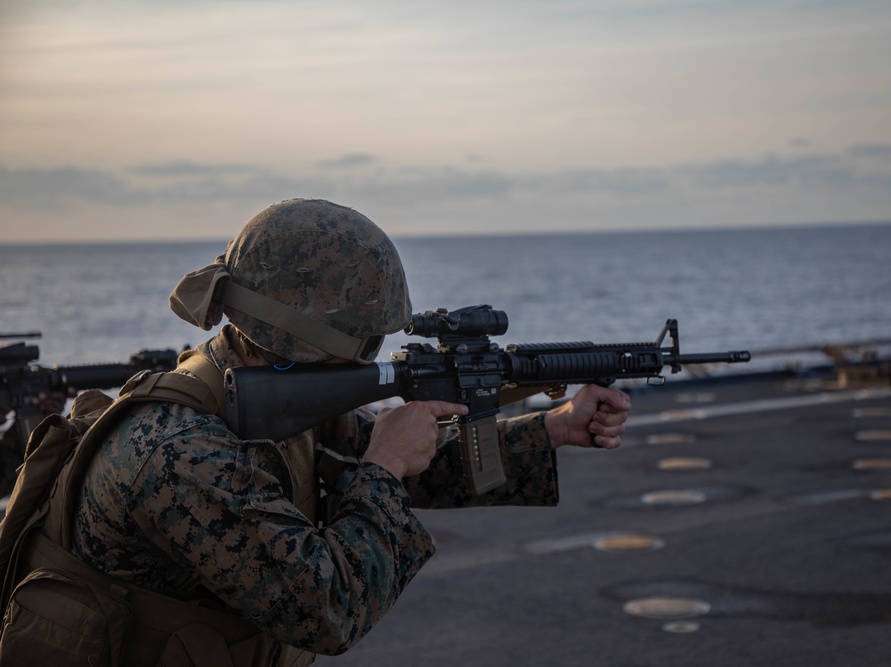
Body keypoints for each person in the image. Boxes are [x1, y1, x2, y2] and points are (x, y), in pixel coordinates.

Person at [60, 199, 631, 664]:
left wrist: (554, 428)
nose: (373, 358)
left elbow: (410, 457)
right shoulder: (178, 454)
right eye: (366, 343)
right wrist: (383, 466)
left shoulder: (258, 383)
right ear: (312, 340)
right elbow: (329, 609)